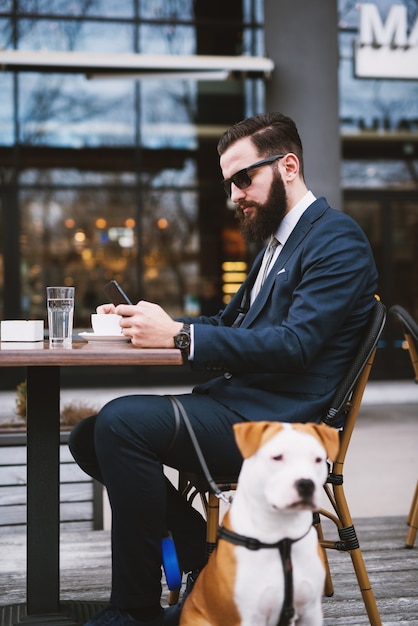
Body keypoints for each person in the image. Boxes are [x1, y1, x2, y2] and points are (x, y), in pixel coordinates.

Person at [69, 112, 378, 626]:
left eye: (243, 178)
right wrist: (152, 322)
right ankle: (199, 552)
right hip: (239, 403)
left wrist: (183, 338)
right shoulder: (275, 246)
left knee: (121, 423)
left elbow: (296, 345)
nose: (234, 195)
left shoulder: (335, 240)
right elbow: (227, 323)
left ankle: (134, 609)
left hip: (280, 421)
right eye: (228, 184)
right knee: (89, 434)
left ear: (288, 166)